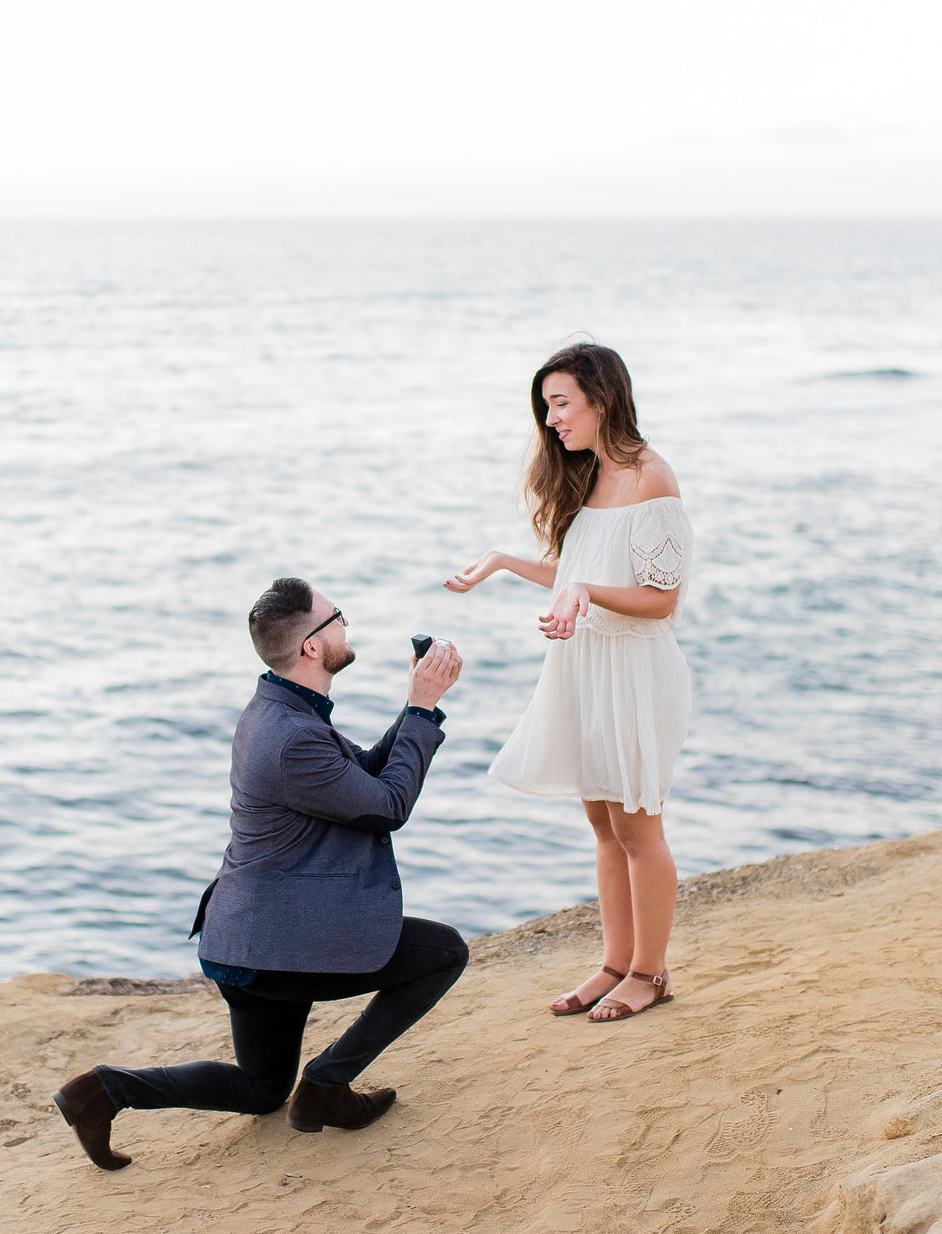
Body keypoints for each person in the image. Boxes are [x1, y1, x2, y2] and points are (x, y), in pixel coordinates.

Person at [54, 577, 467, 1170]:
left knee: (262, 1089)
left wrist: (415, 707)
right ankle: (326, 1084)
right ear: (311, 647)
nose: (347, 626)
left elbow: (362, 783)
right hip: (274, 948)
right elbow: (387, 805)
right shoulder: (292, 736)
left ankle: (103, 1091)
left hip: (245, 940)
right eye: (338, 617)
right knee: (444, 952)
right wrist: (423, 708)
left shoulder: (280, 710)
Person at [446, 342, 691, 1023]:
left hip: (634, 669)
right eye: (545, 407)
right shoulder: (587, 477)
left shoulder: (651, 479)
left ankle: (648, 971)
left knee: (639, 827)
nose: (550, 420)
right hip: (584, 664)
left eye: (560, 403)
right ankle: (615, 961)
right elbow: (576, 571)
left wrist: (583, 589)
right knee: (603, 824)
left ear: (601, 397)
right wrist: (501, 560)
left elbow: (659, 598)